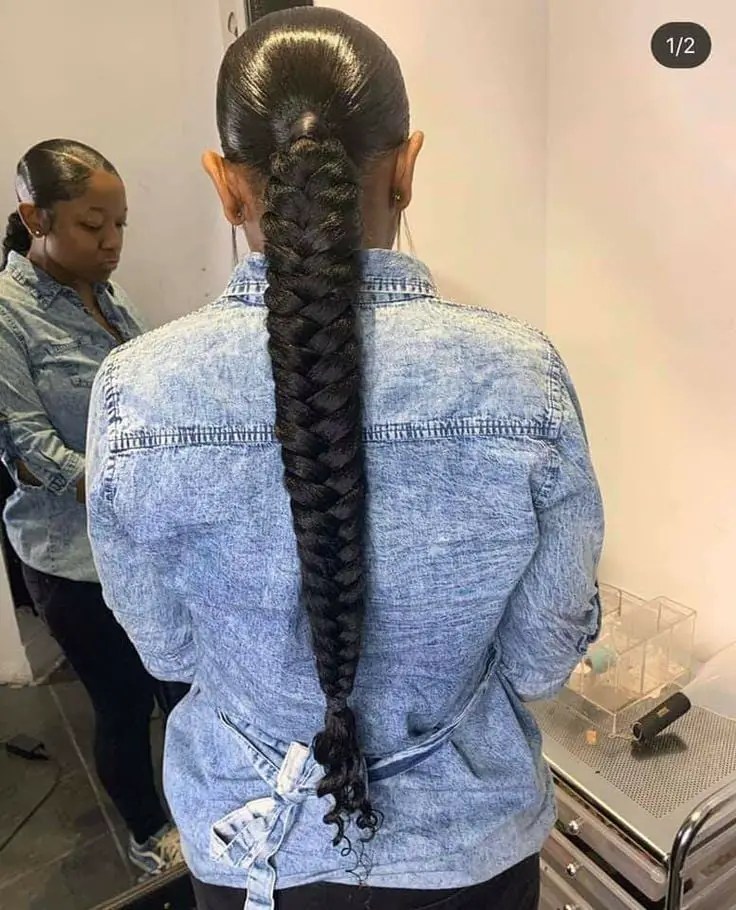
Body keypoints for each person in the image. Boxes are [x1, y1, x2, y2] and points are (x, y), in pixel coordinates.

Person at [86, 8, 604, 910]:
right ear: (406, 169)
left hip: (256, 847)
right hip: (467, 852)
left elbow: (168, 653)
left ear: (226, 186)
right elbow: (535, 669)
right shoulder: (524, 380)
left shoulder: (136, 393)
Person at [0, 139, 184, 876]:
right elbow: (28, 450)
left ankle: (204, 804)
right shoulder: (8, 316)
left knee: (183, 686)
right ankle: (147, 832)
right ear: (33, 217)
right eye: (92, 225)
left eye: (120, 226)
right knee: (123, 702)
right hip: (72, 560)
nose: (111, 244)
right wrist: (133, 481)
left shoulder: (108, 295)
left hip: (143, 538)